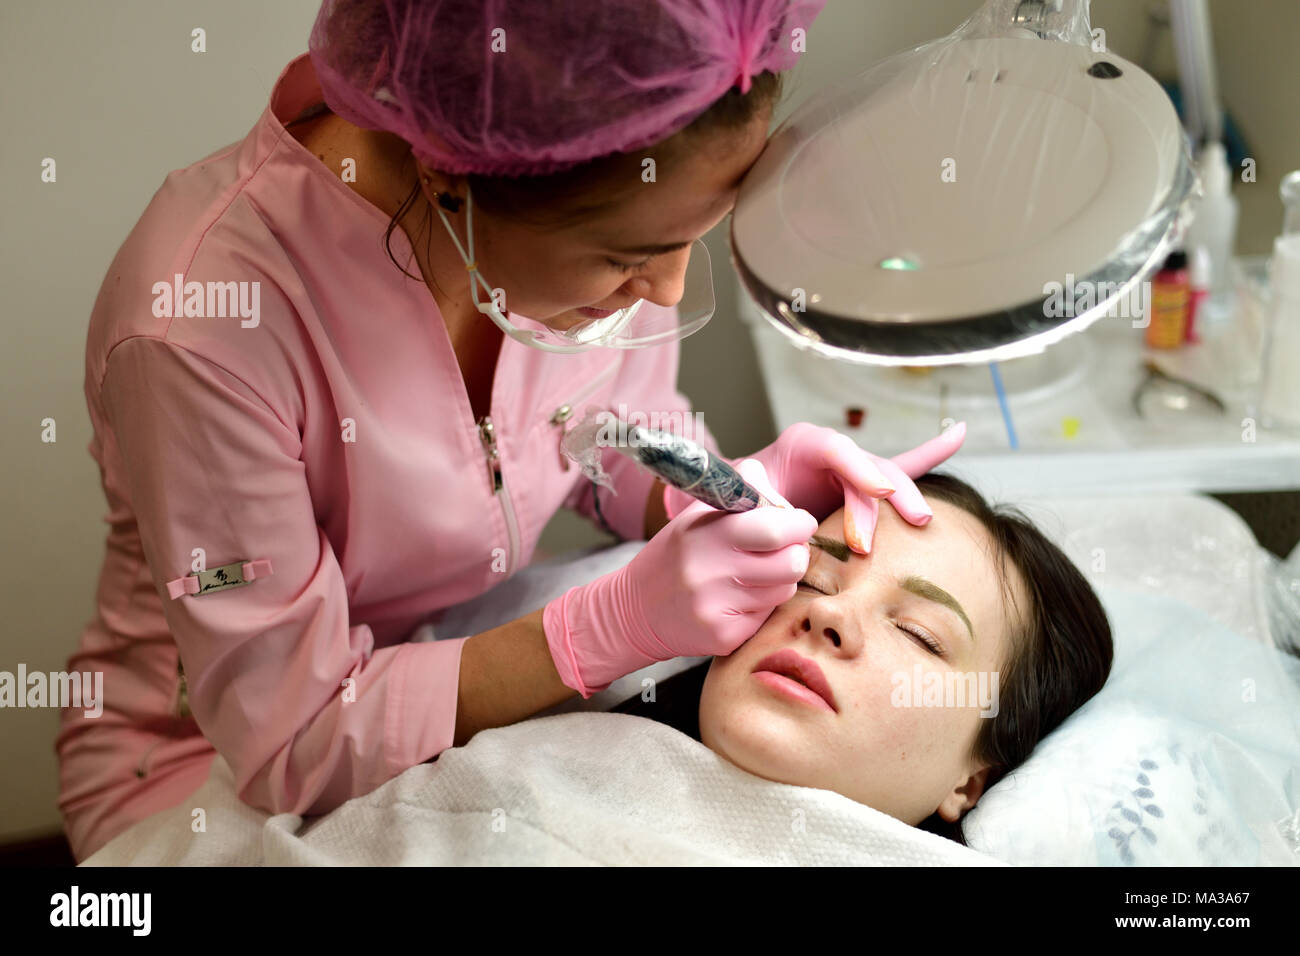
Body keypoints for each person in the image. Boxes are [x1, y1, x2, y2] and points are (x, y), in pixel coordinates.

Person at [58, 0, 966, 862]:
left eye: (695, 237)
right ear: (450, 176)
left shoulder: (600, 214)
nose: (668, 292)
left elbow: (601, 428)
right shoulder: (200, 330)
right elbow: (290, 740)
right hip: (207, 767)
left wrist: (718, 482)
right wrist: (599, 631)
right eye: (628, 257)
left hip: (451, 699)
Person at [615, 471, 1115, 843]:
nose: (830, 612)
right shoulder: (557, 744)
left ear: (971, 779)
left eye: (917, 633)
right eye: (809, 579)